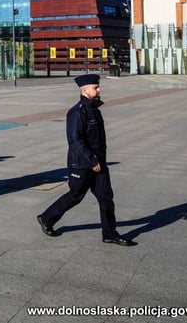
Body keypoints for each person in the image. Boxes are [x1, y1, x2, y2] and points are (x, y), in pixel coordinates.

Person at [37, 74, 136, 246]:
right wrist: (91, 161)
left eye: (98, 87)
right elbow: (75, 140)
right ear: (84, 90)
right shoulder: (77, 112)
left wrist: (99, 161)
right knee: (75, 196)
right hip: (82, 165)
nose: (99, 89)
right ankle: (46, 218)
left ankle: (110, 233)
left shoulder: (94, 110)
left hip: (99, 164)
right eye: (95, 87)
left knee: (106, 198)